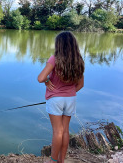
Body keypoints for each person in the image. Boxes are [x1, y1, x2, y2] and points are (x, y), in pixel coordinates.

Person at [37, 31, 85, 163]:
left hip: (55, 99)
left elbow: (40, 78)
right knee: (65, 130)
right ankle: (61, 160)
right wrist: (67, 92)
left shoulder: (54, 59)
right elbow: (80, 85)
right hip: (71, 99)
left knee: (57, 131)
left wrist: (47, 81)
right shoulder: (79, 60)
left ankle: (53, 160)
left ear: (59, 45)